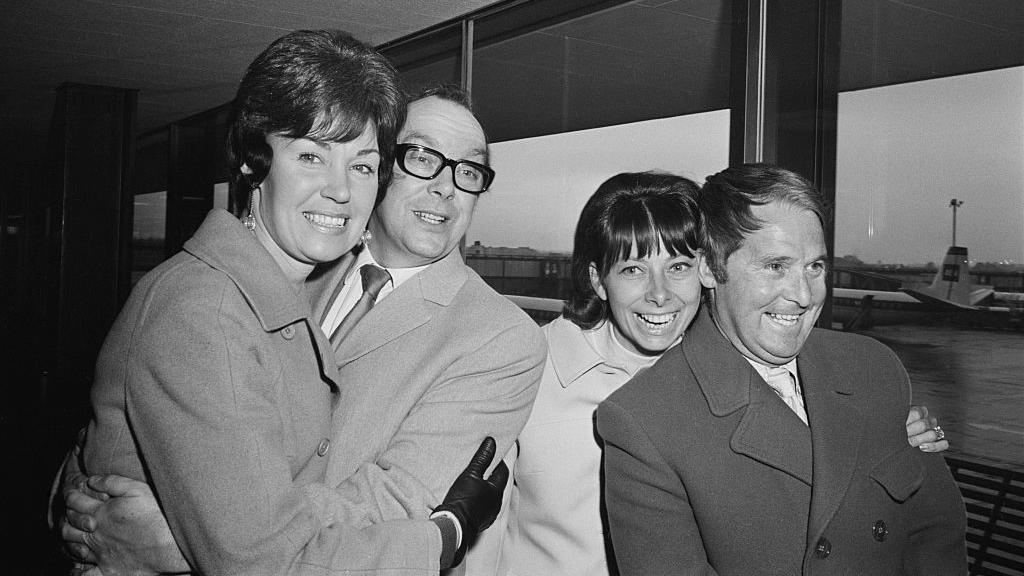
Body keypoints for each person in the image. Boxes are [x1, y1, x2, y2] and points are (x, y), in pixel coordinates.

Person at [57, 30, 510, 576]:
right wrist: (445, 537)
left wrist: (177, 537)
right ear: (254, 161)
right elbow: (261, 555)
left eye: (362, 165)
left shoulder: (292, 275)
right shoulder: (212, 307)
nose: (340, 189)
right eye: (312, 157)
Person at [467, 171, 950, 576]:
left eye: (677, 266)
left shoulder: (753, 367)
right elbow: (487, 525)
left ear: (704, 271)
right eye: (634, 270)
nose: (660, 295)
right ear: (597, 278)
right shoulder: (534, 367)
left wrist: (881, 425)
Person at [596, 163, 967, 575]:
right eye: (776, 266)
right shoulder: (644, 421)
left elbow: (936, 537)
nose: (805, 295)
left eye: (816, 267)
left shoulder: (873, 368)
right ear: (709, 268)